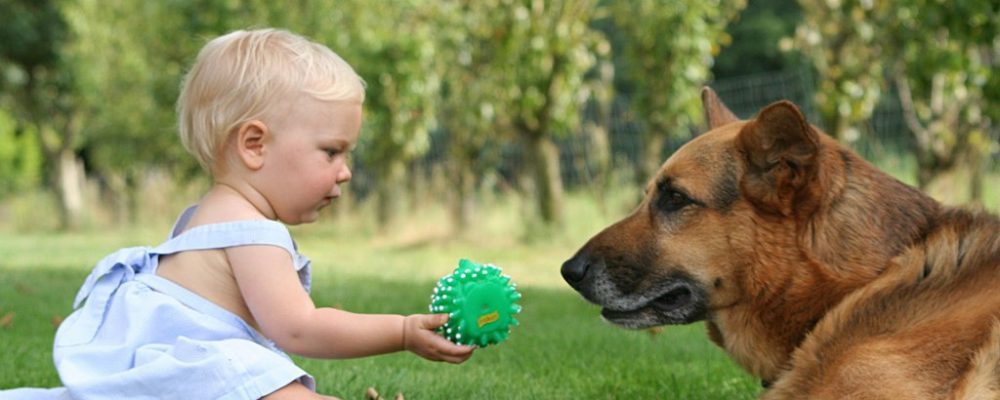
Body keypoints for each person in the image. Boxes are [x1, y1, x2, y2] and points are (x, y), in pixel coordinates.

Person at [32, 28, 475, 400]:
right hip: (202, 375)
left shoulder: (201, 217)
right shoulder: (253, 232)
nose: (345, 171)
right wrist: (402, 331)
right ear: (254, 145)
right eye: (331, 151)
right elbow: (300, 329)